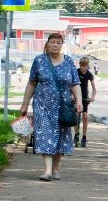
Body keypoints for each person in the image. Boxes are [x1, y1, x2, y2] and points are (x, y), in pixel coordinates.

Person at [19, 32, 81, 181]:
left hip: (63, 107)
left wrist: (79, 101)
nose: (55, 45)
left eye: (58, 43)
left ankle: (55, 168)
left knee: (60, 137)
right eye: (52, 42)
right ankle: (47, 170)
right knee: (45, 135)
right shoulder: (39, 61)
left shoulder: (68, 61)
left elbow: (75, 83)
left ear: (62, 45)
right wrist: (25, 104)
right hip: (42, 106)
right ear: (47, 44)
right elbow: (32, 82)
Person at [76, 55, 97, 147]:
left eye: (85, 66)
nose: (83, 68)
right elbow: (71, 85)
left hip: (85, 98)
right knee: (76, 116)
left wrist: (92, 97)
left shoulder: (89, 74)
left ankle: (84, 137)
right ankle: (76, 135)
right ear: (79, 65)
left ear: (87, 66)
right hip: (77, 97)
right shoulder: (76, 72)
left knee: (85, 116)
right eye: (81, 66)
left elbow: (94, 88)